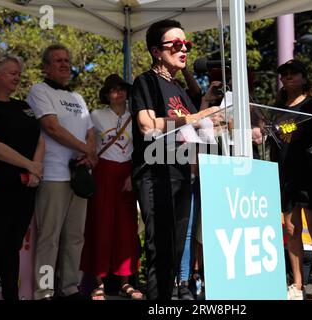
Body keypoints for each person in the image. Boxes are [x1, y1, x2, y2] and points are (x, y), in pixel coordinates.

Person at [130, 19, 221, 300]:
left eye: (187, 45)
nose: (184, 50)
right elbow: (147, 126)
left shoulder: (180, 89)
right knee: (161, 248)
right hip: (154, 174)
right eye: (177, 44)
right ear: (157, 51)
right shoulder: (145, 82)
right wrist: (195, 117)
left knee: (177, 248)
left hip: (182, 173)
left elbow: (199, 127)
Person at [27, 44, 97, 300]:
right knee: (50, 238)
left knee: (75, 237)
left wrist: (89, 151)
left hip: (78, 176)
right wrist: (85, 150)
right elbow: (51, 127)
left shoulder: (78, 97)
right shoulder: (39, 90)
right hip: (53, 174)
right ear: (46, 66)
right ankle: (44, 292)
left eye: (67, 60)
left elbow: (90, 130)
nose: (65, 64)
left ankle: (69, 289)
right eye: (58, 61)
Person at [0, 53, 44, 300]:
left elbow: (40, 140)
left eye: (18, 72)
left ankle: (11, 294)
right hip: (0, 186)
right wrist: (30, 165)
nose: (18, 76)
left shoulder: (23, 106)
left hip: (27, 186)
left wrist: (35, 168)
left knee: (13, 244)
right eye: (12, 72)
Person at [80, 74, 142, 300]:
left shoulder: (135, 118)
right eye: (114, 90)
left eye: (122, 89)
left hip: (126, 173)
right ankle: (98, 283)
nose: (119, 93)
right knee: (100, 226)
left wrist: (132, 174)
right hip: (103, 173)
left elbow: (140, 150)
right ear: (106, 95)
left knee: (127, 230)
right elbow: (86, 142)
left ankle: (126, 282)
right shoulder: (95, 116)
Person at [270, 59, 312, 300]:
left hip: (311, 174)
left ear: (304, 77)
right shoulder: (275, 108)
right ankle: (297, 284)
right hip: (284, 175)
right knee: (291, 229)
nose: (289, 78)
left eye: (294, 74)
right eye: (284, 75)